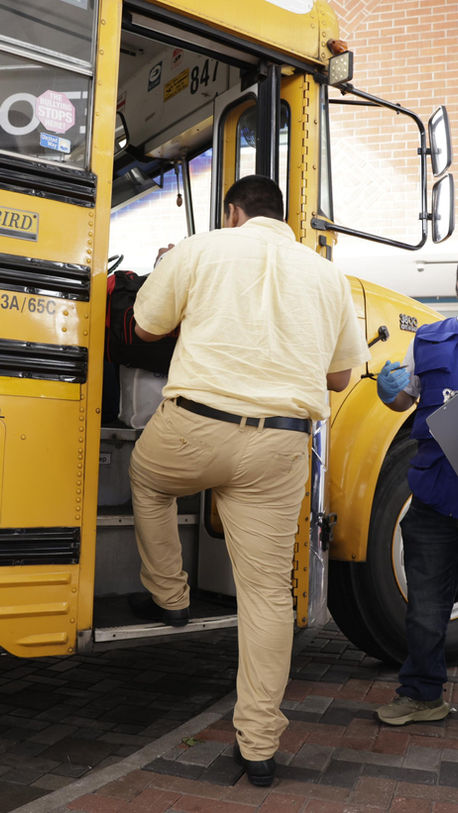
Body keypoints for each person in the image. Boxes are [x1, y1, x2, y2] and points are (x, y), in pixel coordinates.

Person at [128, 174, 369, 785]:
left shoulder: (202, 247)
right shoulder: (326, 275)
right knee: (265, 595)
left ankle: (171, 597)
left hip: (194, 428)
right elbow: (341, 379)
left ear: (233, 212)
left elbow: (146, 329)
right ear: (281, 218)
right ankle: (258, 745)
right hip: (281, 444)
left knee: (148, 480)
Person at [375, 298, 458, 727]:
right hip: (434, 497)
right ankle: (423, 696)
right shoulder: (428, 339)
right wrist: (391, 393)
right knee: (425, 607)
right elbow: (403, 401)